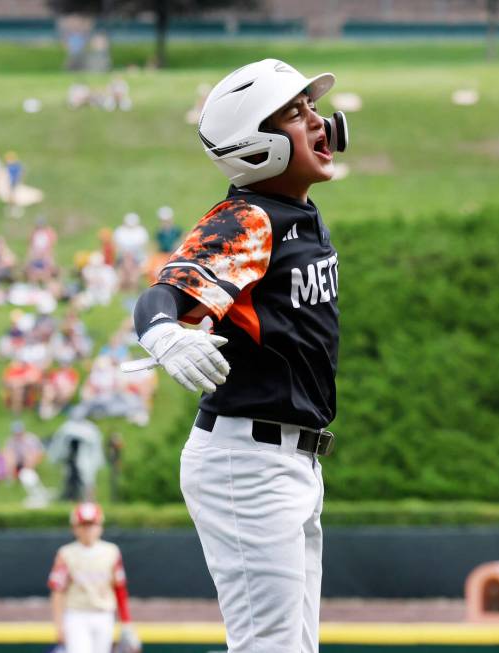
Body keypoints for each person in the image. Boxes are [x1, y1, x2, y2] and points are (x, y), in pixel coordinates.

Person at [124, 59, 348, 653]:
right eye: (296, 113)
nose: (320, 122)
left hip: (290, 460)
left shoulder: (297, 214)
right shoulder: (249, 216)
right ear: (259, 146)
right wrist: (165, 333)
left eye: (311, 108)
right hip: (249, 461)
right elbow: (161, 296)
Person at [47, 502, 140, 653]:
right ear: (75, 527)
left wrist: (126, 622)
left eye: (92, 524)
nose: (88, 529)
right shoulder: (66, 554)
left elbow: (119, 588)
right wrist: (59, 625)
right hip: (77, 615)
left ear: (100, 526)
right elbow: (58, 591)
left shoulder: (111, 552)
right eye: (83, 525)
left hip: (104, 614)